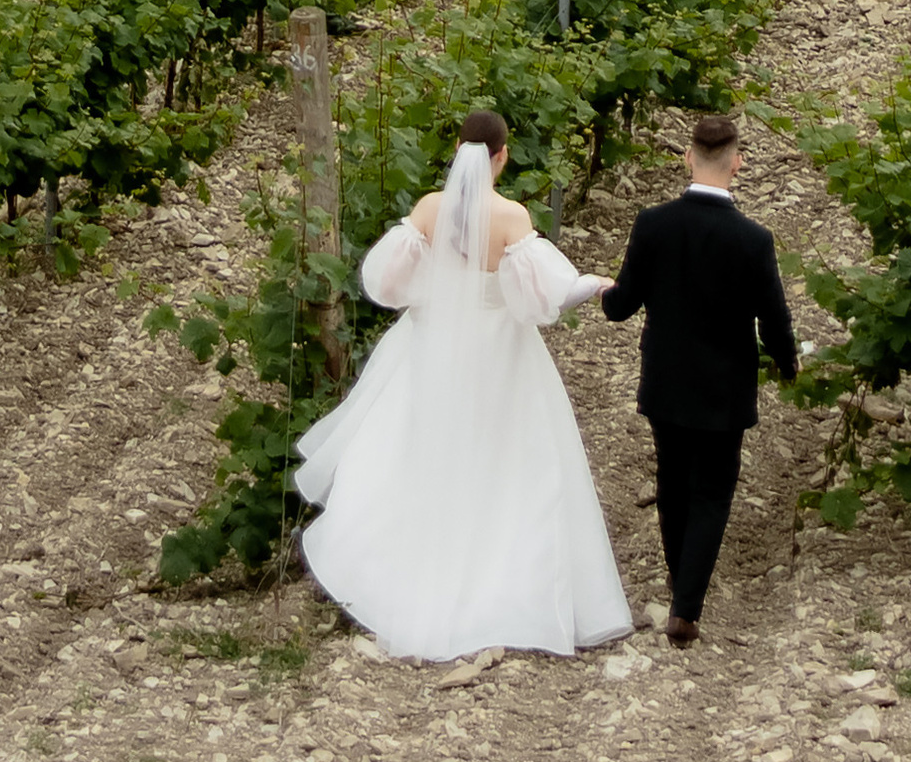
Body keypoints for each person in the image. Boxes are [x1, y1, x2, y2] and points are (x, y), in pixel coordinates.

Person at [293, 110, 633, 661]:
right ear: (502, 156)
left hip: (429, 347)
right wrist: (592, 283)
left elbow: (386, 283)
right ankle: (503, 593)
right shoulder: (511, 217)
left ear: (457, 150)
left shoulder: (430, 209)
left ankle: (400, 580)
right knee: (509, 466)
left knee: (414, 454)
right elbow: (546, 296)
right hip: (501, 355)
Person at [598, 109, 798, 647]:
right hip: (725, 387)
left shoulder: (652, 224)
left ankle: (678, 578)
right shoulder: (753, 239)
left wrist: (602, 293)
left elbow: (622, 305)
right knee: (713, 490)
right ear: (737, 163)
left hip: (666, 379)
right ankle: (686, 607)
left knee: (672, 482)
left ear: (687, 157)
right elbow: (774, 317)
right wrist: (788, 362)